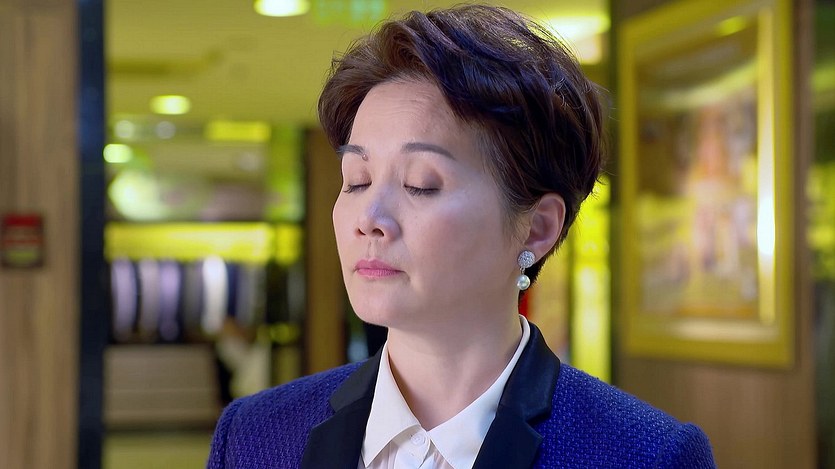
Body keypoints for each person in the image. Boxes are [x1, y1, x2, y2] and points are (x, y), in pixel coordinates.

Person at [207, 5, 716, 468]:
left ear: (538, 227)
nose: (369, 218)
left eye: (420, 184)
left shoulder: (644, 454)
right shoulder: (256, 436)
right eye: (356, 181)